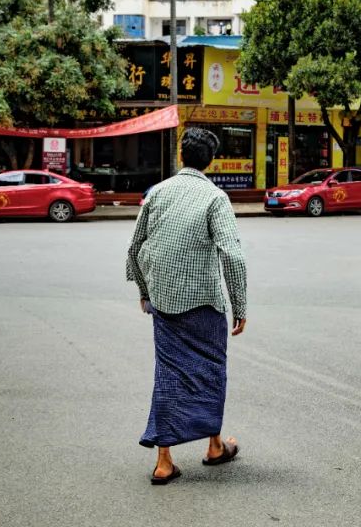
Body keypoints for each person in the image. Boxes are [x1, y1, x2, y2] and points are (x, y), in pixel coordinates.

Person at [126, 127, 248, 486]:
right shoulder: (215, 197)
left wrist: (146, 293)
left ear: (182, 155)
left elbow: (135, 249)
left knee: (168, 374)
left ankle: (164, 461)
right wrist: (240, 304)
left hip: (164, 302)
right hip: (205, 304)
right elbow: (234, 256)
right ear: (210, 160)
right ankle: (213, 446)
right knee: (210, 371)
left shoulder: (158, 193)